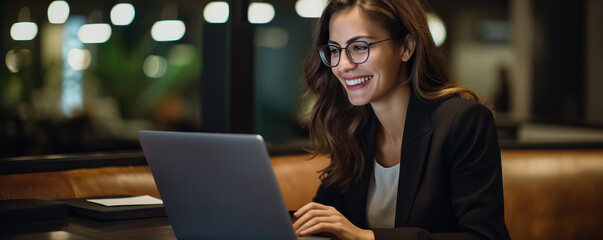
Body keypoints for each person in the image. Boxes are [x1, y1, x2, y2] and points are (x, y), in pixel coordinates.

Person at [292, 0, 511, 239]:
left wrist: (366, 237)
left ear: (406, 47)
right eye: (335, 50)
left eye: (360, 46)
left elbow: (485, 236)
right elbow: (324, 221)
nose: (344, 65)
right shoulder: (353, 129)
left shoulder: (463, 122)